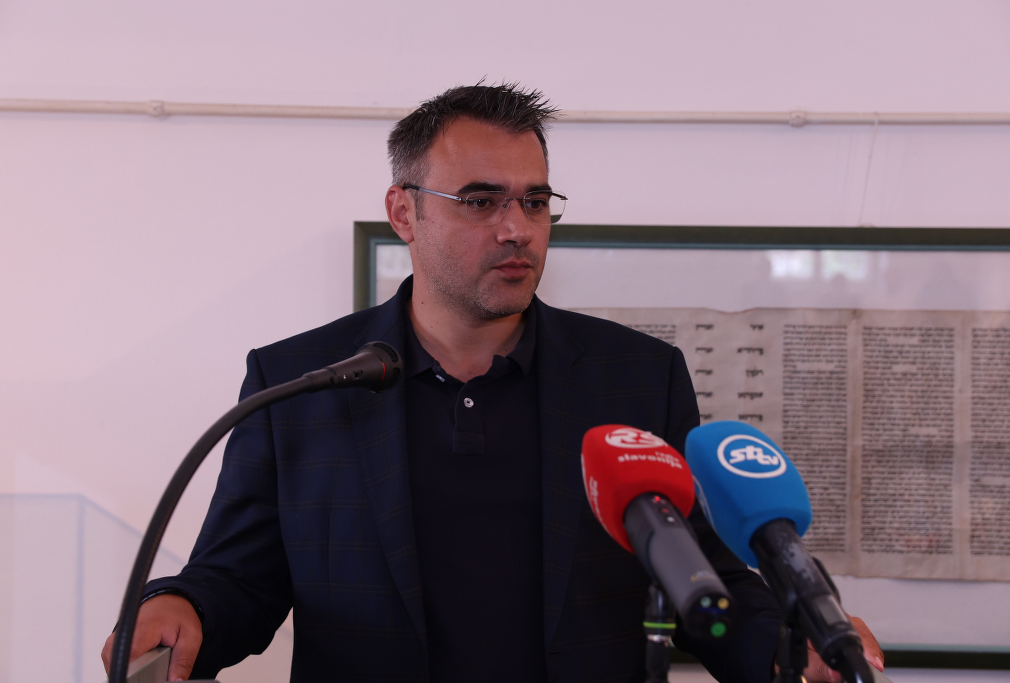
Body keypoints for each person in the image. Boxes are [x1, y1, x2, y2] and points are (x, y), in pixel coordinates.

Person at [102, 83, 882, 682]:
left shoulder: (638, 378)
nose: (517, 228)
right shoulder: (297, 384)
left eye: (535, 201)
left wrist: (792, 646)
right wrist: (182, 605)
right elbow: (238, 580)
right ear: (403, 213)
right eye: (481, 201)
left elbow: (704, 580)